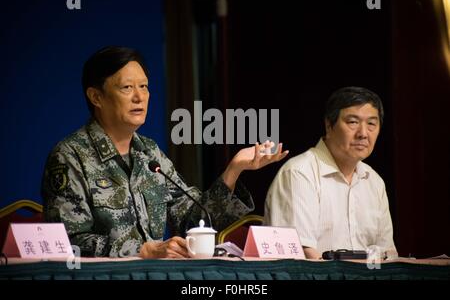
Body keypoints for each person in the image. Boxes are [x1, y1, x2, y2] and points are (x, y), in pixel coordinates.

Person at [41, 46, 288, 259]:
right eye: (127, 87)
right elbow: (66, 242)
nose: (140, 97)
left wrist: (234, 170)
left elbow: (194, 222)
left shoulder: (149, 153)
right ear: (96, 96)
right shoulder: (69, 156)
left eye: (144, 86)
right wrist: (141, 250)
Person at [264, 86, 397, 259]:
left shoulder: (374, 181)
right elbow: (300, 253)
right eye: (353, 122)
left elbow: (387, 254)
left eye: (371, 123)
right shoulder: (299, 173)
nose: (363, 134)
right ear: (329, 125)